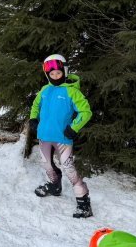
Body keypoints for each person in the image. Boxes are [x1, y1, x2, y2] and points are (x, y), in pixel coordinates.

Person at [29, 54, 94, 218]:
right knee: (46, 164)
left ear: (64, 71)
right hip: (44, 136)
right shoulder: (45, 90)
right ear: (47, 75)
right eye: (52, 74)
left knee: (68, 167)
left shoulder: (72, 91)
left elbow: (85, 112)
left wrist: (74, 127)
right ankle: (54, 186)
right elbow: (35, 105)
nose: (55, 76)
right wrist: (33, 119)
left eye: (58, 73)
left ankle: (84, 202)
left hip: (63, 138)